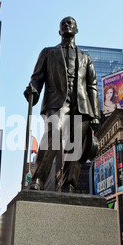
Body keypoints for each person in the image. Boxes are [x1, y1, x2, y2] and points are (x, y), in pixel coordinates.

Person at [24, 17, 100, 192]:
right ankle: (37, 180)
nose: (67, 26)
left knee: (75, 145)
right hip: (56, 102)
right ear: (59, 31)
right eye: (63, 24)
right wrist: (32, 90)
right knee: (53, 134)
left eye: (70, 23)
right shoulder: (48, 53)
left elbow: (92, 86)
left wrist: (95, 114)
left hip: (80, 105)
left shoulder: (85, 58)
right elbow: (36, 79)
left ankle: (69, 184)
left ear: (76, 30)